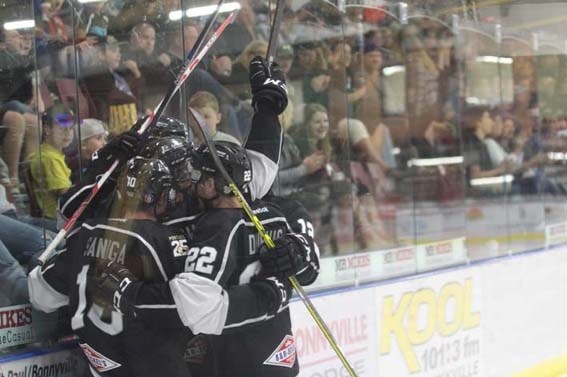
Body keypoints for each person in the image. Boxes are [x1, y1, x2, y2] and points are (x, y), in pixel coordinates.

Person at [28, 111, 75, 222]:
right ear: (47, 129)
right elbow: (66, 194)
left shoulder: (52, 154)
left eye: (71, 128)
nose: (68, 133)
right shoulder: (49, 159)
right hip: (56, 221)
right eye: (62, 128)